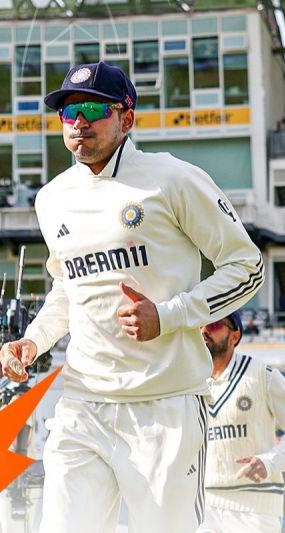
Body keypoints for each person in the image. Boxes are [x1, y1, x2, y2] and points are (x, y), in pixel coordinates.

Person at [0, 61, 264, 533]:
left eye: (92, 109)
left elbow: (248, 267)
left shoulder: (173, 178)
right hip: (83, 402)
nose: (78, 121)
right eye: (67, 112)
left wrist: (168, 316)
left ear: (127, 118)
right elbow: (68, 288)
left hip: (165, 406)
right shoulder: (52, 198)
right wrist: (34, 342)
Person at [197, 310, 285, 533]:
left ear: (234, 336)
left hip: (255, 507)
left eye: (213, 326)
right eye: (201, 325)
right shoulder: (191, 380)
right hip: (204, 504)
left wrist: (270, 461)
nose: (203, 331)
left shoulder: (261, 374)